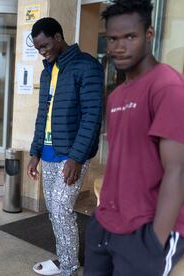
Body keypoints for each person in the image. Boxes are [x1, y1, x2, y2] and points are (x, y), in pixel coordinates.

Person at [84, 1, 184, 275]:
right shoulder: (117, 96)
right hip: (106, 225)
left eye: (130, 37)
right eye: (113, 39)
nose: (119, 46)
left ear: (149, 35)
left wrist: (154, 242)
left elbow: (178, 170)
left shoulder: (167, 86)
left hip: (145, 231)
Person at [27, 17, 103, 276]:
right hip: (48, 152)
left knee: (61, 208)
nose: (42, 52)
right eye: (38, 49)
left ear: (58, 37)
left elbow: (92, 116)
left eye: (45, 45)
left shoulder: (87, 66)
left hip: (70, 155)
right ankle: (65, 259)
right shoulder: (48, 71)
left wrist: (77, 158)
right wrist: (35, 152)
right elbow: (42, 114)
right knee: (54, 210)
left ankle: (70, 268)